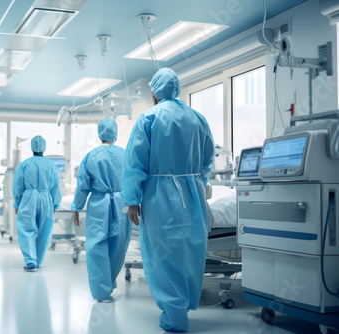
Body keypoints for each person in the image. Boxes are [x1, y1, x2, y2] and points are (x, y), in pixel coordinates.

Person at [122, 68, 215, 332]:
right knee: (190, 251)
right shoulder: (198, 119)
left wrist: (132, 199)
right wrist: (198, 181)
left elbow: (135, 162)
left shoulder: (149, 118)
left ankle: (174, 316)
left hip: (159, 194)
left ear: (154, 91)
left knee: (162, 252)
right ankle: (182, 305)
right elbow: (208, 158)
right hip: (192, 193)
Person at [71, 119, 132, 303]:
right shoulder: (126, 155)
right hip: (122, 203)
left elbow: (83, 186)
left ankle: (101, 290)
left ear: (99, 134)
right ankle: (109, 281)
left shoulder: (91, 157)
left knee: (97, 246)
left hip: (98, 204)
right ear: (115, 133)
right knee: (119, 244)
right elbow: (134, 180)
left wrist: (76, 208)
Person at [13, 135, 62, 272]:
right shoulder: (52, 166)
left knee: (26, 229)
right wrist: (55, 205)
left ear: (32, 147)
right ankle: (38, 260)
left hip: (29, 198)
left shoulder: (24, 164)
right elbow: (56, 187)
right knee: (44, 231)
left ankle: (30, 260)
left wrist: (17, 204)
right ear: (44, 148)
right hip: (46, 198)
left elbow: (18, 186)